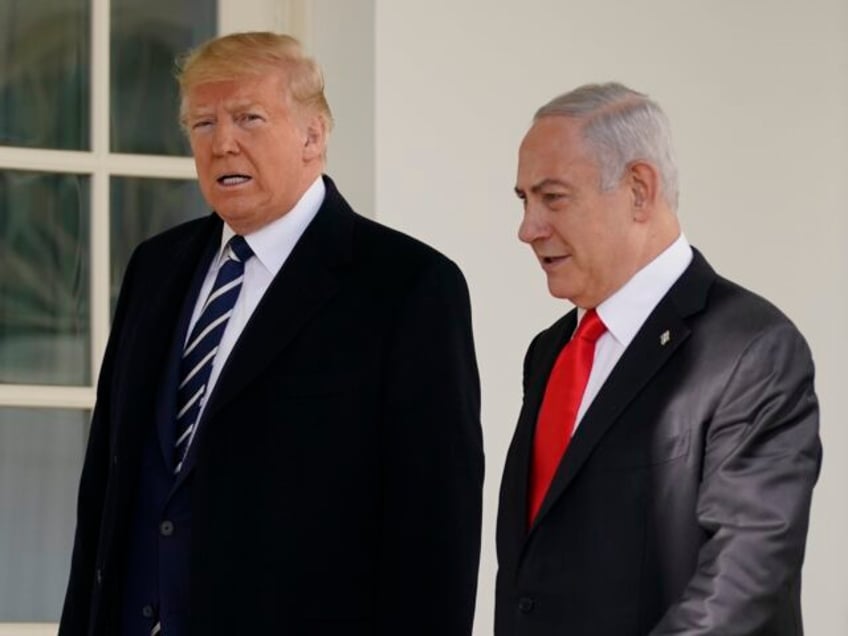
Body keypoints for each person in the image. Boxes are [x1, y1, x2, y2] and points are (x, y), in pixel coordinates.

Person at [59, 32, 483, 636]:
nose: (222, 142)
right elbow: (104, 489)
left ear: (314, 136)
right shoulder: (155, 268)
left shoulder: (409, 287)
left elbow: (437, 531)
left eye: (248, 118)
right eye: (202, 124)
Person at [496, 82, 821, 636]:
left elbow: (741, 585)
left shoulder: (753, 350)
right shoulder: (549, 352)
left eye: (552, 197)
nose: (528, 228)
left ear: (639, 190)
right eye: (524, 200)